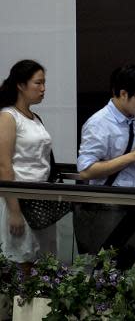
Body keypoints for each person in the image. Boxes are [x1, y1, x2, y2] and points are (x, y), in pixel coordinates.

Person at [76, 64, 135, 271]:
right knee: (106, 274)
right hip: (107, 208)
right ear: (123, 93)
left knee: (133, 274)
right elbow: (86, 170)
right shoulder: (99, 123)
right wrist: (132, 156)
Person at [0, 60, 57, 266]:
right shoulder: (8, 117)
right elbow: (4, 166)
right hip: (17, 200)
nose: (43, 89)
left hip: (39, 200)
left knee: (43, 262)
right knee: (20, 263)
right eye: (37, 83)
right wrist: (14, 211)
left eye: (44, 83)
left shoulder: (34, 118)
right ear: (21, 85)